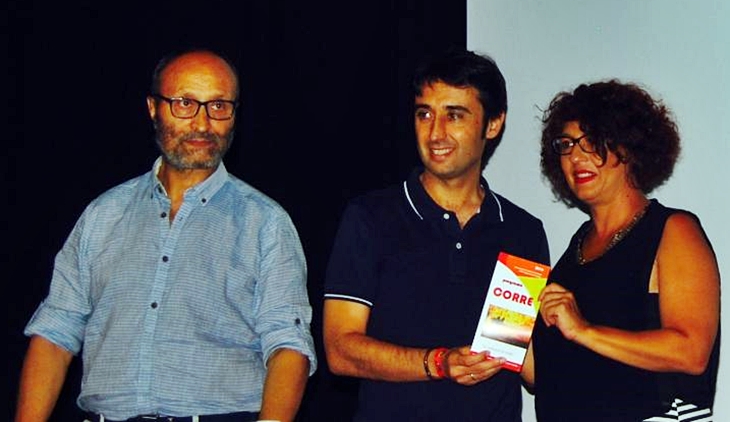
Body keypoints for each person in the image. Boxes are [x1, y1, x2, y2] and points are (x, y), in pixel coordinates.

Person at [15, 48, 317, 422]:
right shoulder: (104, 214)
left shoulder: (265, 222)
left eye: (218, 106)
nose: (203, 123)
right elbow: (54, 334)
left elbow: (288, 344)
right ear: (153, 108)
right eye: (184, 104)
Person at [323, 49, 550, 422]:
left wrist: (575, 331)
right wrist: (439, 363)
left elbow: (520, 356)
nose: (435, 132)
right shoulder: (371, 218)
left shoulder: (520, 231)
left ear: (493, 124)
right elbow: (340, 350)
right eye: (424, 114)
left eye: (454, 115)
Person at [524, 80, 720, 422]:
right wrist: (504, 336)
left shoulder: (672, 230)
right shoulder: (573, 254)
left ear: (629, 147)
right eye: (566, 145)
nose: (576, 156)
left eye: (592, 140)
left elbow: (691, 352)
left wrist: (583, 330)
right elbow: (542, 377)